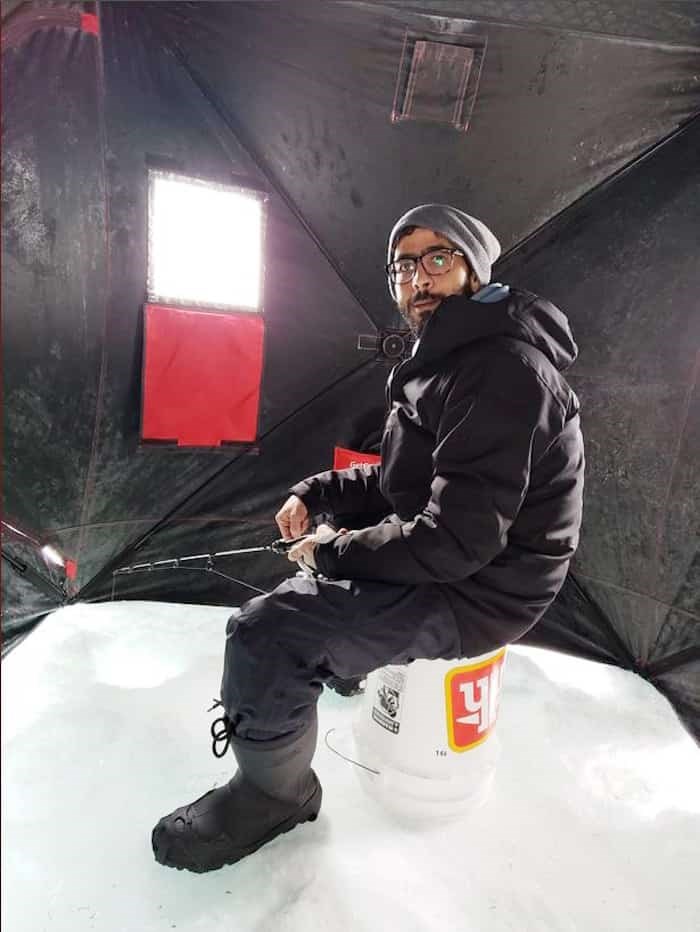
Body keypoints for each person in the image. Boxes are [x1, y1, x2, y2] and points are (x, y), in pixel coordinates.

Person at [152, 203, 585, 873]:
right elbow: (406, 480)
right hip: (464, 559)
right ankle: (344, 664)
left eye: (438, 258)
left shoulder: (501, 371)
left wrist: (330, 551)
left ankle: (275, 797)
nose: (419, 277)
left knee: (266, 635)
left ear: (475, 269)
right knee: (324, 561)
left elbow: (452, 542)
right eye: (404, 265)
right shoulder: (448, 359)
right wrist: (318, 493)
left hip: (488, 588)